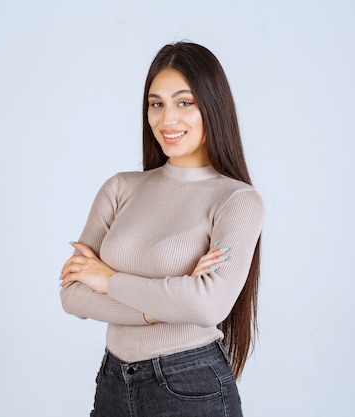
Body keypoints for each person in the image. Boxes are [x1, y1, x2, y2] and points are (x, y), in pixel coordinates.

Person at [59, 41, 264, 417]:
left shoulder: (236, 200)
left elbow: (209, 304)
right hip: (112, 382)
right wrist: (161, 308)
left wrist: (107, 280)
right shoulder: (121, 188)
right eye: (157, 104)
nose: (167, 120)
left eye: (184, 103)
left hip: (189, 385)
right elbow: (72, 295)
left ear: (212, 107)